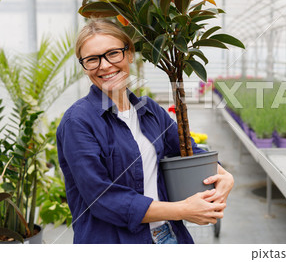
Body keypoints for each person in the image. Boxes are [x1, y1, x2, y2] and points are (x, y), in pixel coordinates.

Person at [56, 19, 234, 244]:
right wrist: (182, 210)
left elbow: (188, 150)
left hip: (168, 237)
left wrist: (223, 174)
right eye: (92, 59)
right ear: (84, 66)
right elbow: (102, 198)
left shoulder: (148, 110)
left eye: (113, 53)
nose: (104, 65)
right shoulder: (78, 122)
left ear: (129, 54)